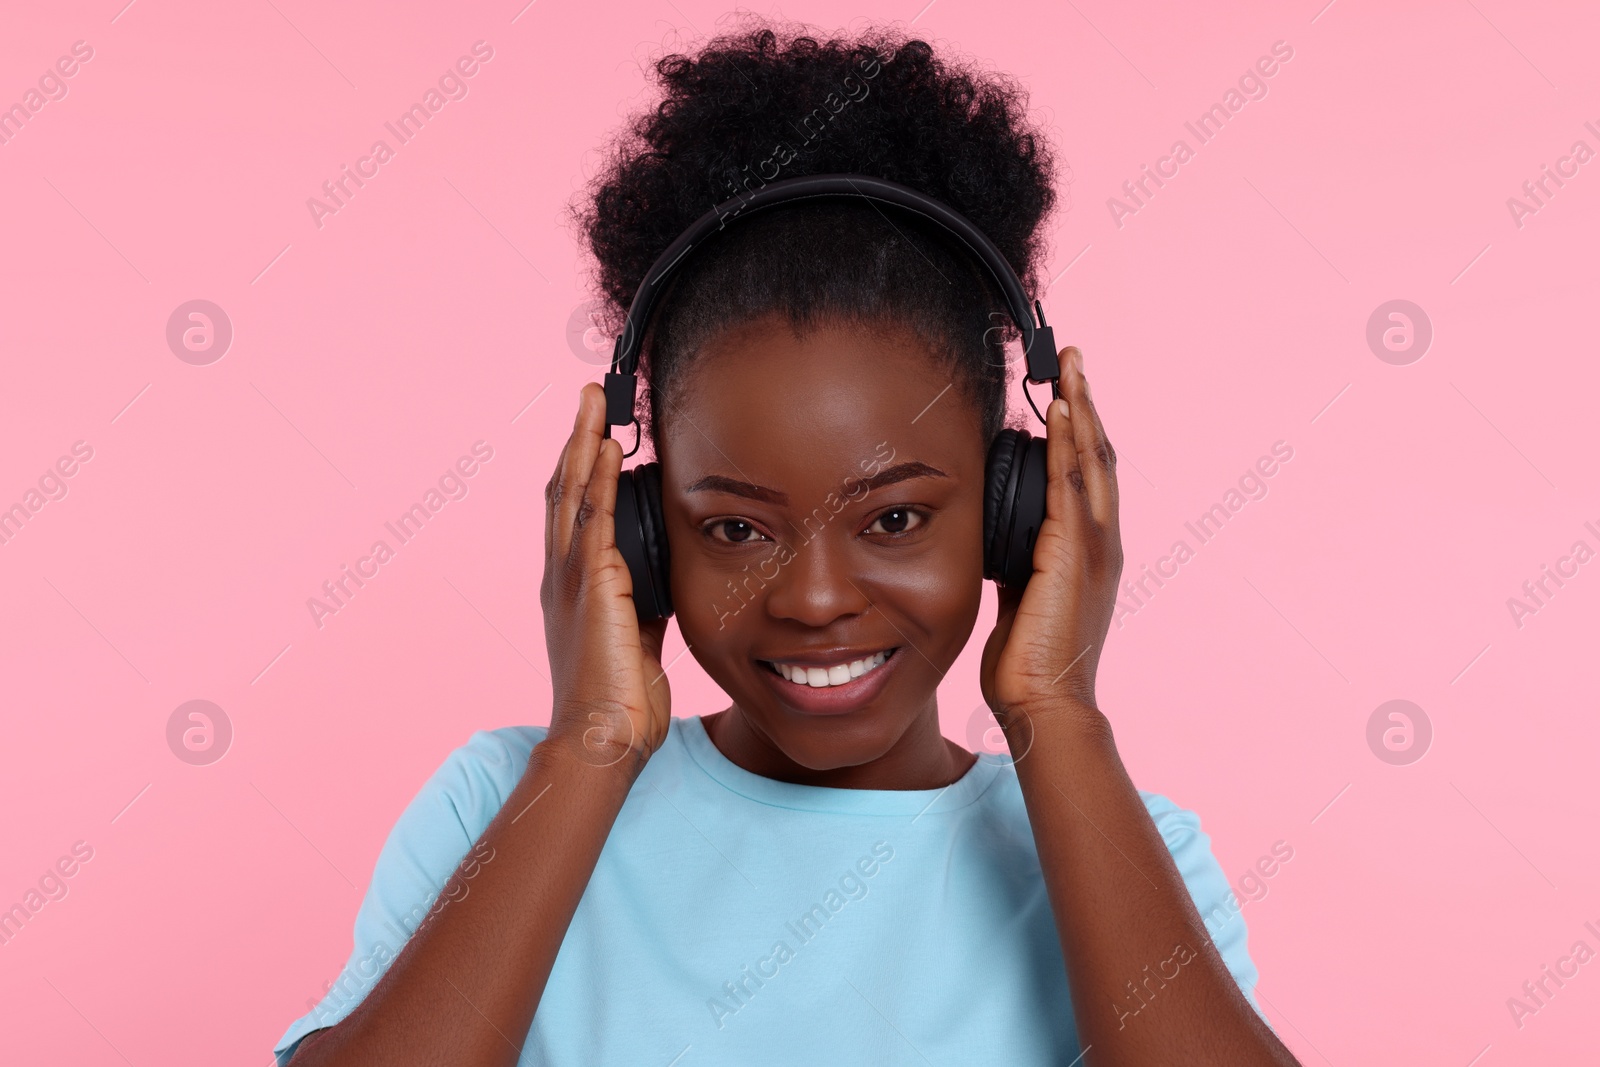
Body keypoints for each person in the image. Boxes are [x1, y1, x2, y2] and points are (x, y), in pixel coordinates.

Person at [274, 19, 1300, 1066]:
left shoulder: (1126, 855)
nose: (813, 597)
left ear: (1020, 513)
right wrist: (588, 744)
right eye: (733, 527)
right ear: (636, 529)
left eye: (894, 518)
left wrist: (1058, 711)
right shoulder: (498, 803)